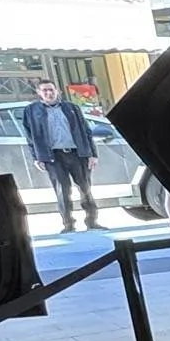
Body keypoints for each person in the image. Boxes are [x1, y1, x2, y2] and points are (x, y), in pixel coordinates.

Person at [22, 80, 101, 233]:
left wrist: (92, 154)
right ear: (39, 92)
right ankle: (68, 224)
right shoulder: (32, 111)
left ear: (57, 91)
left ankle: (92, 221)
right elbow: (30, 136)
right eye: (44, 91)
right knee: (62, 190)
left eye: (51, 90)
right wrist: (37, 157)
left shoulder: (71, 108)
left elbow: (86, 131)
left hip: (77, 154)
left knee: (85, 188)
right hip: (54, 157)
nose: (48, 93)